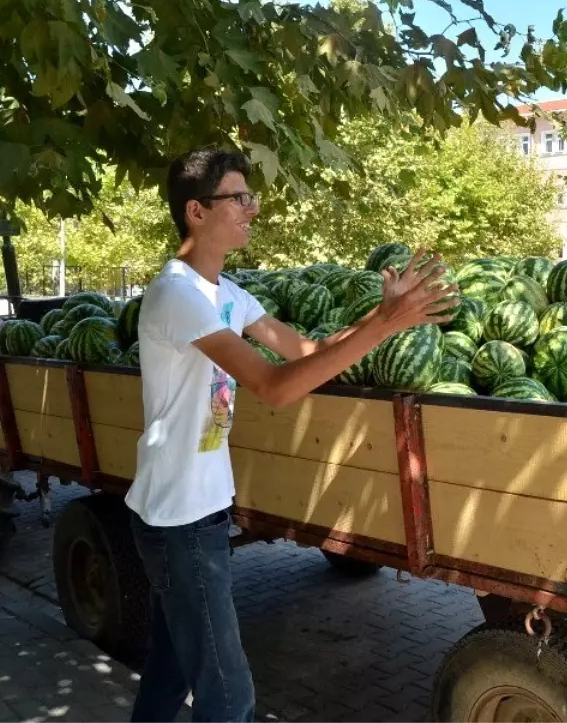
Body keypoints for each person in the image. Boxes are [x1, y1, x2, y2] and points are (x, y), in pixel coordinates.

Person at [124, 148, 457, 723]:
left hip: (197, 510)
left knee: (173, 668)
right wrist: (387, 324)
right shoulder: (176, 294)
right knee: (229, 699)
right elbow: (275, 387)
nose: (252, 210)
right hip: (176, 519)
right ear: (197, 212)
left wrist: (384, 315)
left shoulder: (226, 292)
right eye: (239, 198)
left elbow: (306, 353)